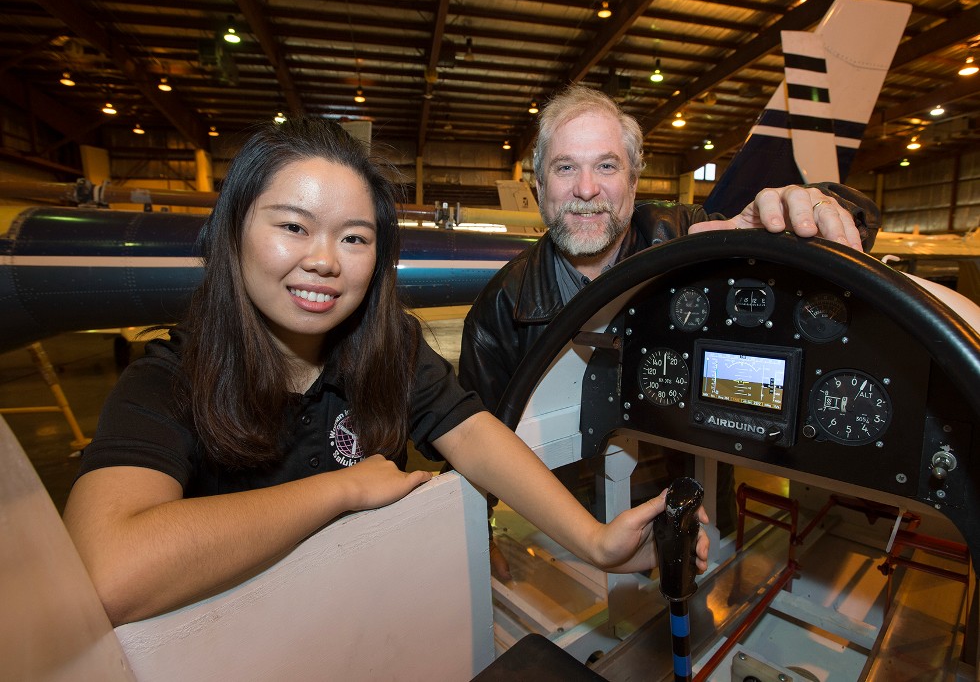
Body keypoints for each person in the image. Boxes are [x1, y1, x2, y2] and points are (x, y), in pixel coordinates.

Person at [61, 116, 709, 627]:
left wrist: (596, 541)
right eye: (293, 225)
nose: (324, 259)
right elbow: (109, 574)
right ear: (233, 233)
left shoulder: (386, 355)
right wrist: (340, 490)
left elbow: (476, 433)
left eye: (354, 237)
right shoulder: (168, 383)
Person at [457, 84, 881, 580]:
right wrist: (477, 536)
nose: (587, 188)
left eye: (607, 166)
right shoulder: (501, 308)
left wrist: (810, 209)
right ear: (539, 186)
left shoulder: (686, 240)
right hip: (571, 540)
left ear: (634, 184)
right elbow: (471, 436)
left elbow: (843, 236)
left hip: (698, 520)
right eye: (565, 167)